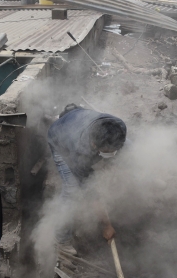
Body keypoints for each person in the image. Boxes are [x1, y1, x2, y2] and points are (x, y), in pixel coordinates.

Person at [47, 104, 127, 256]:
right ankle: (61, 240)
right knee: (72, 190)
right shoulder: (79, 150)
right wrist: (106, 225)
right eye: (106, 152)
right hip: (59, 139)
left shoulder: (119, 126)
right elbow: (90, 191)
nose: (112, 154)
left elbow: (120, 146)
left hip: (77, 119)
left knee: (129, 150)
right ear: (94, 145)